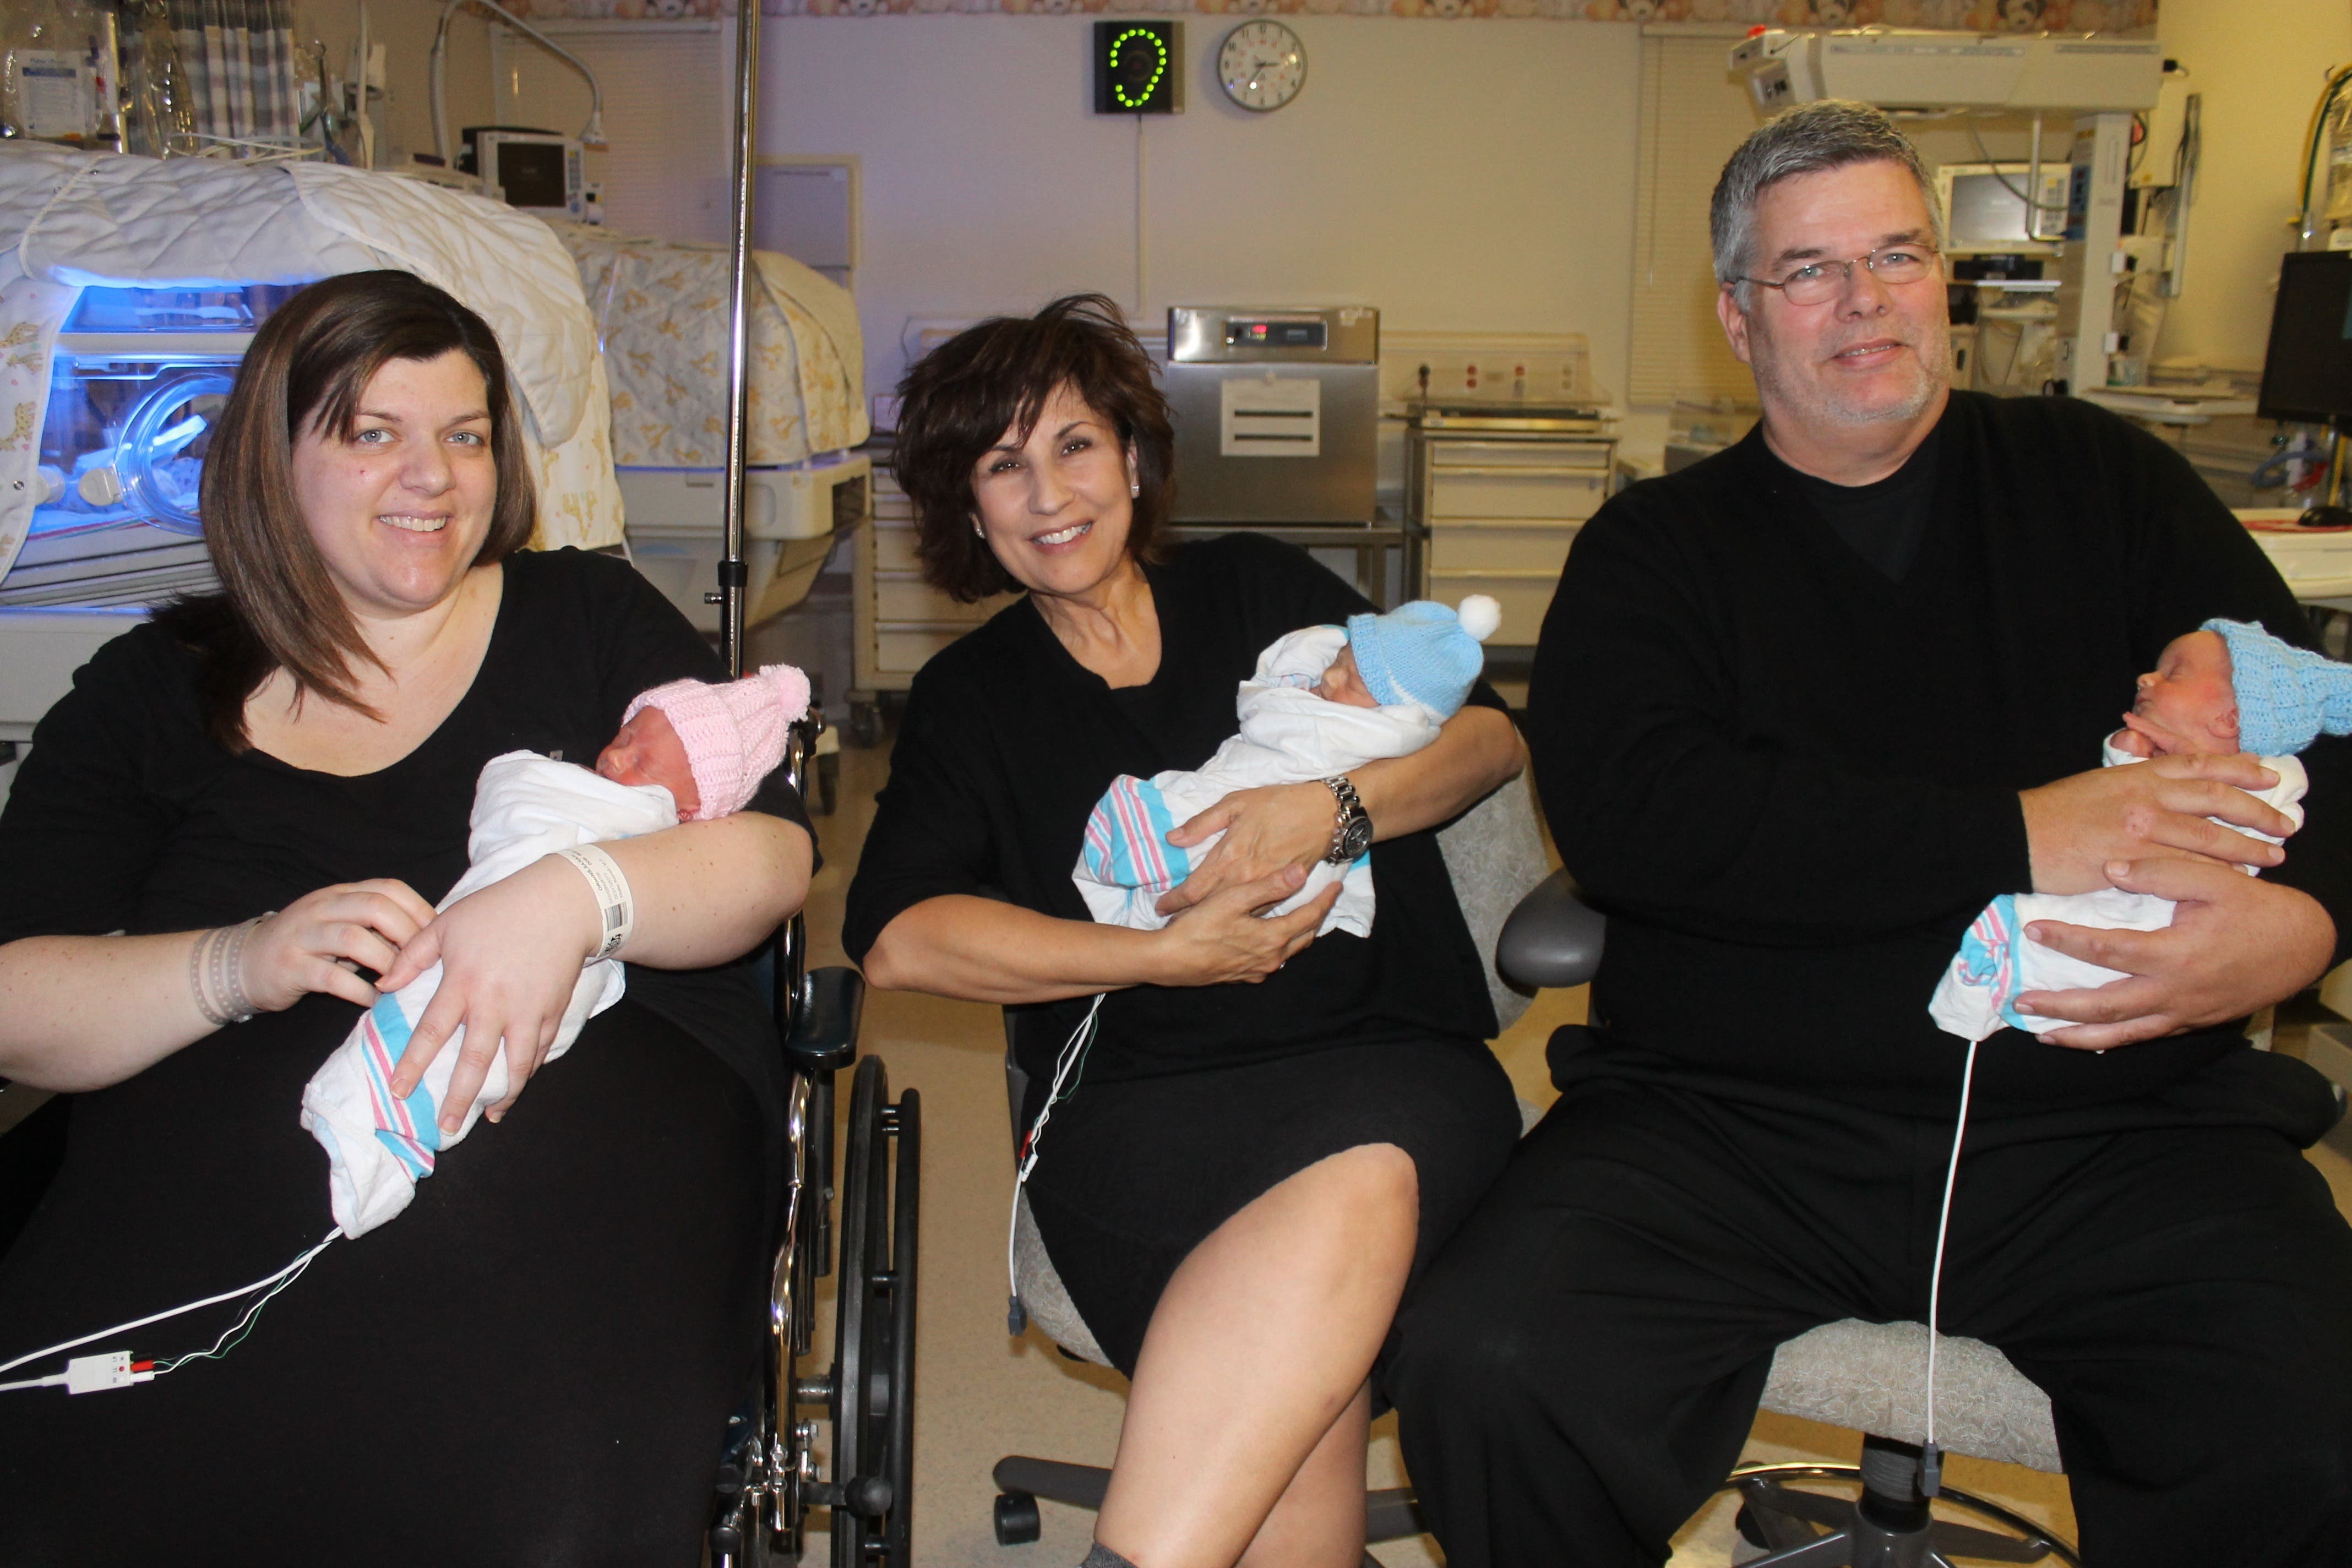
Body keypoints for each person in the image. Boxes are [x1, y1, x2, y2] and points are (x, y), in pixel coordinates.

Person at [1388, 101, 2352, 1568]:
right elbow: (1646, 822)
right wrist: (2020, 833)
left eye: (1897, 255)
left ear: (1941, 284)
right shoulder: (1654, 552)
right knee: (1490, 1370)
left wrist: (2311, 922)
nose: (1866, 300)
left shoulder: (2104, 484)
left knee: (2314, 1435)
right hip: (1728, 1125)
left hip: (2117, 1127)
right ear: (1738, 318)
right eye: (1811, 271)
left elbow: (2321, 726)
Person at [0, 270, 815, 1564]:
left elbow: (771, 853)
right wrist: (237, 961)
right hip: (218, 1151)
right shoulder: (153, 693)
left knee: (499, 1433)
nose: (432, 475)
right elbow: (15, 998)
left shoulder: (586, 620)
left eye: (465, 434)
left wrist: (575, 896)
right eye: (373, 432)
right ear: (271, 459)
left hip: (576, 1124)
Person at [845, 295, 1524, 1568]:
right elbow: (898, 937)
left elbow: (1488, 738)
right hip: (1139, 1110)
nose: (1049, 493)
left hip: (1391, 1060)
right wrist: (1158, 955)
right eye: (1002, 465)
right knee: (1304, 1362)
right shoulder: (971, 697)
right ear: (968, 511)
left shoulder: (1260, 587)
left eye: (1073, 445)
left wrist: (1329, 810)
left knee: (1355, 1188)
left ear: (1133, 456)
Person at [303, 663, 813, 1237]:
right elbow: (513, 793)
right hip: (428, 944)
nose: (615, 758)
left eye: (644, 766)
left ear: (691, 814)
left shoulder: (660, 820)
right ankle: (371, 1107)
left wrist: (576, 894)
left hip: (598, 1012)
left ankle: (388, 1114)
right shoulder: (572, 782)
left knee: (471, 1043)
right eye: (624, 736)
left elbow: (776, 864)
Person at [1935, 619, 2343, 1042]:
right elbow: (2110, 801)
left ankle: (2004, 980)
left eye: (2174, 674)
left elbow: (2260, 828)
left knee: (2082, 940)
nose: (2145, 678)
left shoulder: (2270, 778)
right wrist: (2126, 751)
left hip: (2172, 914)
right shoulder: (2155, 757)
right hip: (2109, 886)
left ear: (2230, 718)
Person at [1074, 594, 1501, 935]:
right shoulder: (1343, 697)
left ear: (1395, 714)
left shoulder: (1369, 733)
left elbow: (1501, 739)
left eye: (1352, 680)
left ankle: (1143, 902)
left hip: (1294, 869)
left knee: (1182, 845)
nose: (1329, 677)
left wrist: (1330, 806)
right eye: (1337, 661)